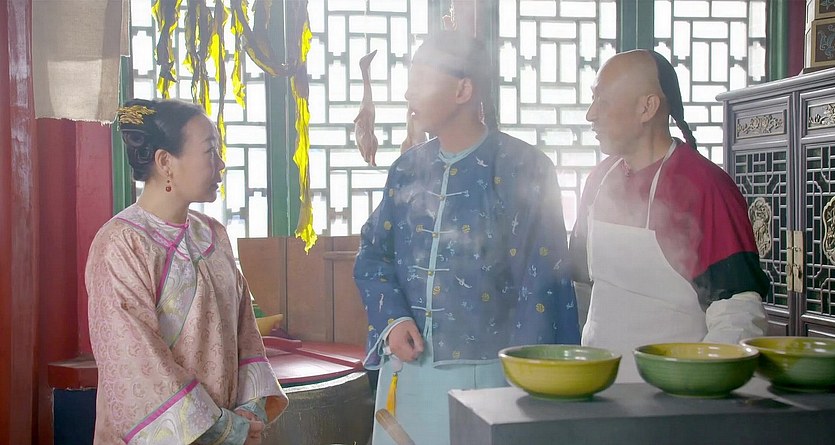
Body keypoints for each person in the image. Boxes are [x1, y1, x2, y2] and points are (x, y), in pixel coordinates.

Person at [354, 31, 580, 445]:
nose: (408, 93)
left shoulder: (525, 168)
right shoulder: (405, 170)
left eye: (421, 81)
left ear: (463, 90)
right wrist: (393, 320)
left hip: (492, 379)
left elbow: (543, 288)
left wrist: (533, 391)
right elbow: (373, 255)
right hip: (406, 371)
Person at [86, 98, 288, 444]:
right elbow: (135, 363)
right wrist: (222, 429)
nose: (221, 163)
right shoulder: (121, 244)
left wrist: (248, 411)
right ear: (165, 161)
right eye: (210, 151)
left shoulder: (213, 235)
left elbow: (246, 334)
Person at [569, 50, 770, 383]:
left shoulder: (704, 186)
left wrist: (700, 386)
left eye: (602, 101)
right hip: (598, 383)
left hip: (675, 391)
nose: (591, 114)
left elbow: (738, 309)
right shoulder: (598, 181)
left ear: (647, 107)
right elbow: (581, 285)